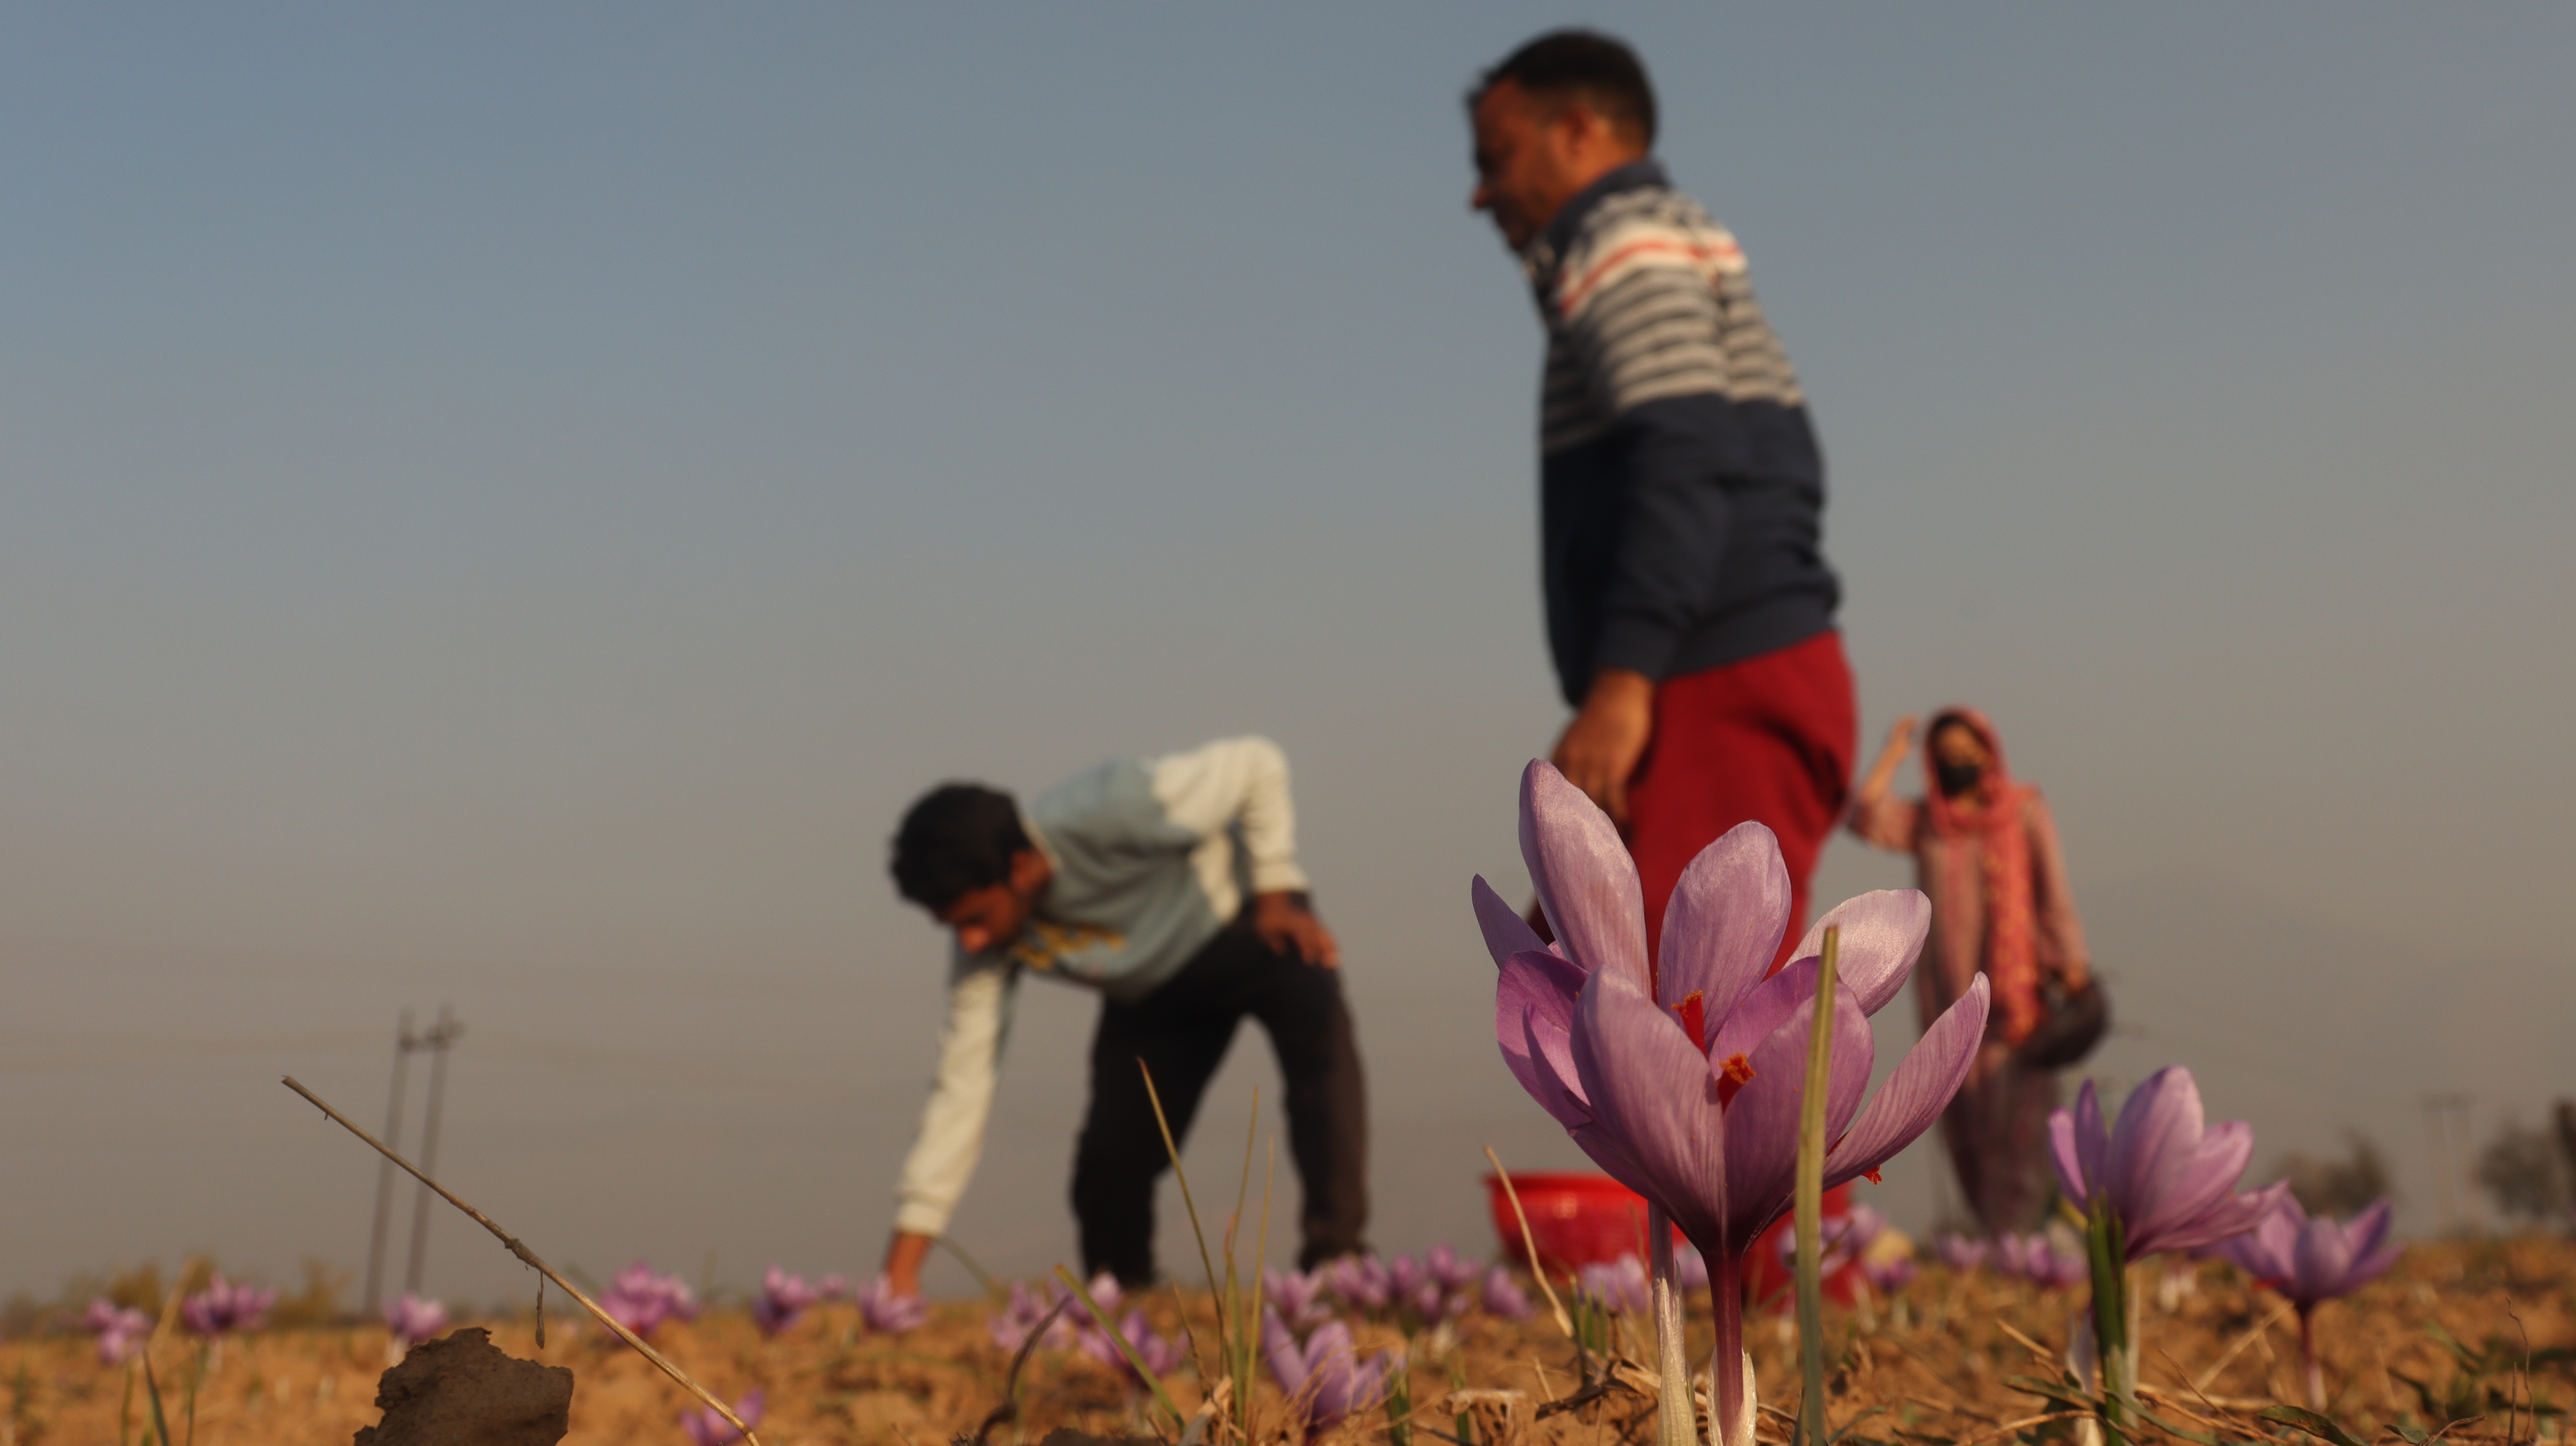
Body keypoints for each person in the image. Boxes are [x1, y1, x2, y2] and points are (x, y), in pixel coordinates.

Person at [1466, 30, 1854, 965]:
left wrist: (1625, 680)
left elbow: (1684, 446)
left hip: (1716, 671)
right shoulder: (1636, 243)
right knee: (1596, 985)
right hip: (1697, 668)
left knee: (1678, 1036)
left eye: (1498, 159)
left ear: (1579, 131)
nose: (1482, 193)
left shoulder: (1625, 238)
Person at [878, 735, 1367, 1295]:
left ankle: (1338, 1268)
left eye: (977, 917)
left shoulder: (1110, 808)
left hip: (1243, 925)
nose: (971, 939)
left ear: (1022, 867)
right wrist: (901, 1270)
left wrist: (1276, 890)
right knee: (1109, 1164)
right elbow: (960, 1093)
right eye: (954, 927)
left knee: (1323, 1055)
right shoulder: (981, 951)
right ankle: (1127, 1301)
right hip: (1154, 996)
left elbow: (1259, 765)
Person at [1849, 708, 2092, 1235]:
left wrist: (2071, 959)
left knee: (2017, 1117)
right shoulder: (1929, 825)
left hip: (2016, 1000)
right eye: (1947, 755)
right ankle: (1996, 1239)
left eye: (1969, 751)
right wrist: (1893, 753)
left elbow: (2052, 889)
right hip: (1948, 999)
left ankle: (2016, 1239)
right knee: (1966, 1123)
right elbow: (1864, 816)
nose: (1960, 762)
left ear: (1989, 752)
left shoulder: (2024, 811)